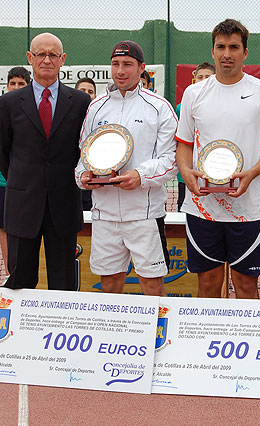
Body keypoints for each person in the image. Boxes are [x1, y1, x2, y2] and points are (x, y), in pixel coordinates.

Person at [176, 19, 260, 299]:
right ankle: (207, 331)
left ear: (245, 52)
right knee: (208, 284)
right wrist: (186, 173)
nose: (227, 54)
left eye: (234, 47)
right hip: (203, 207)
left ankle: (245, 332)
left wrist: (251, 174)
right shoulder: (194, 93)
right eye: (221, 47)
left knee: (246, 285)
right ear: (213, 51)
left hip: (249, 207)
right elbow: (184, 144)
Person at [75, 40, 178, 296]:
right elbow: (84, 154)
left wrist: (141, 176)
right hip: (105, 213)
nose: (121, 71)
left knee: (152, 284)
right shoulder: (96, 107)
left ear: (141, 68)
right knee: (109, 283)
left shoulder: (159, 107)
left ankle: (157, 326)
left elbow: (173, 158)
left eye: (128, 64)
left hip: (144, 214)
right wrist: (82, 176)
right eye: (116, 64)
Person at [0, 32, 91, 291]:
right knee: (20, 280)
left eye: (53, 55)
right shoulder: (9, 103)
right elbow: (2, 152)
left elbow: (85, 149)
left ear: (63, 59)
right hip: (22, 206)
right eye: (40, 54)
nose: (47, 60)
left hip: (64, 205)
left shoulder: (81, 102)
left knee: (63, 282)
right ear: (30, 58)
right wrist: (25, 181)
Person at [0, 66, 31, 282]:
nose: (16, 87)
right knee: (5, 226)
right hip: (3, 181)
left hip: (30, 182)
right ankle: (10, 273)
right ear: (7, 86)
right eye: (12, 83)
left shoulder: (34, 110)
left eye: (21, 83)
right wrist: (3, 167)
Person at [175, 62, 216, 211]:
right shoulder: (182, 107)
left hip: (215, 171)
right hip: (187, 175)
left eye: (208, 77)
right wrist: (185, 169)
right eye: (200, 77)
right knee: (184, 212)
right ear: (194, 80)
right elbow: (181, 141)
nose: (203, 80)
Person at [74, 77, 98, 211]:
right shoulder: (66, 118)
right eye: (82, 91)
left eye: (90, 92)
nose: (86, 95)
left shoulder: (99, 119)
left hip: (93, 186)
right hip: (70, 186)